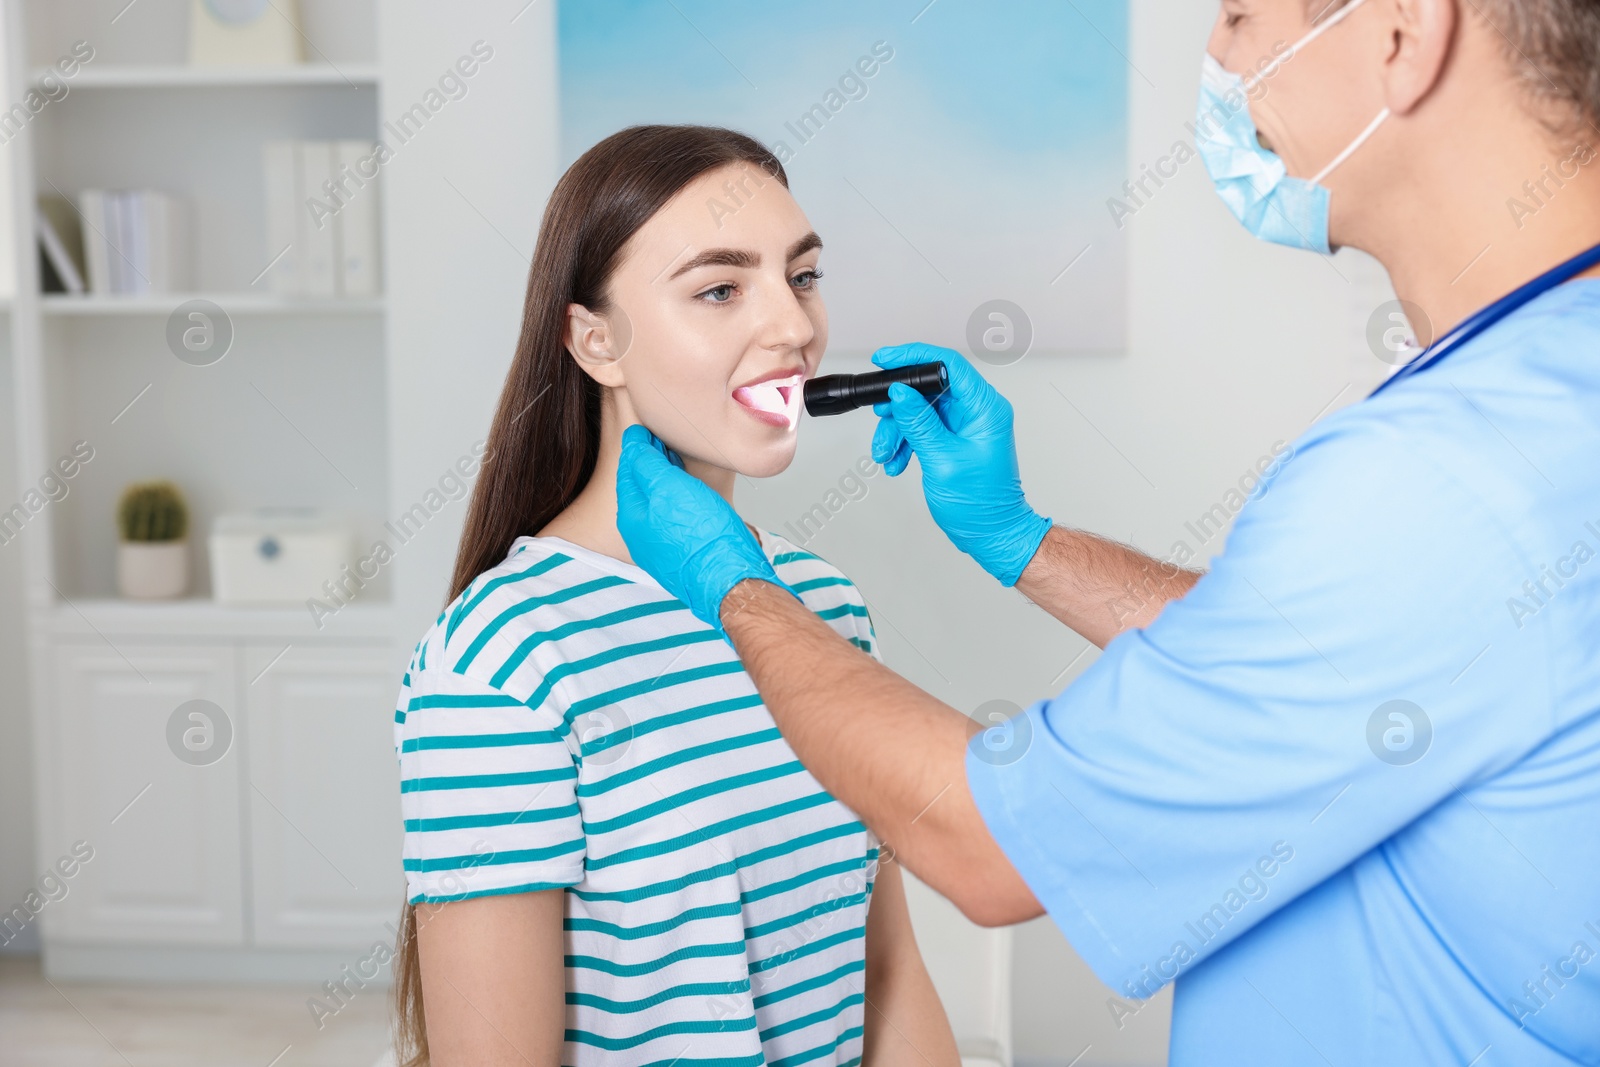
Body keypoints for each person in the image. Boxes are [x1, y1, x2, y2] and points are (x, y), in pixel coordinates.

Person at [612, 1, 1600, 1063]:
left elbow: (984, 849)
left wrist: (738, 588)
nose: (1217, 56)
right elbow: (1309, 672)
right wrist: (1020, 538)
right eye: (719, 286)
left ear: (1403, 36)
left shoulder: (1441, 476)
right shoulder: (1539, 394)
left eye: (1237, 14)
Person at [391, 125, 959, 1067]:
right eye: (721, 288)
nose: (793, 327)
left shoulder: (824, 607)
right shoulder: (503, 661)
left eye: (803, 276)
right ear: (595, 341)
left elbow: (887, 973)